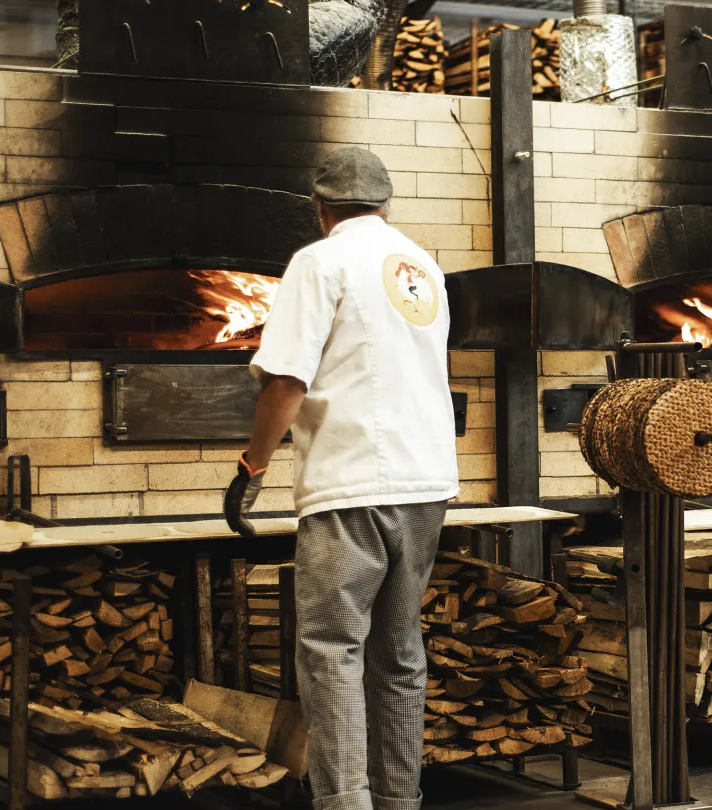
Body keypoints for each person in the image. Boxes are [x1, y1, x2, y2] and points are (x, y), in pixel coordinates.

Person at [223, 146, 459, 810]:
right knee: (399, 655)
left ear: (320, 207)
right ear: (387, 204)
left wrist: (253, 468)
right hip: (425, 482)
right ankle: (397, 801)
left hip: (350, 482)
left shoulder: (319, 261)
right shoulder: (424, 268)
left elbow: (288, 380)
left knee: (331, 655)